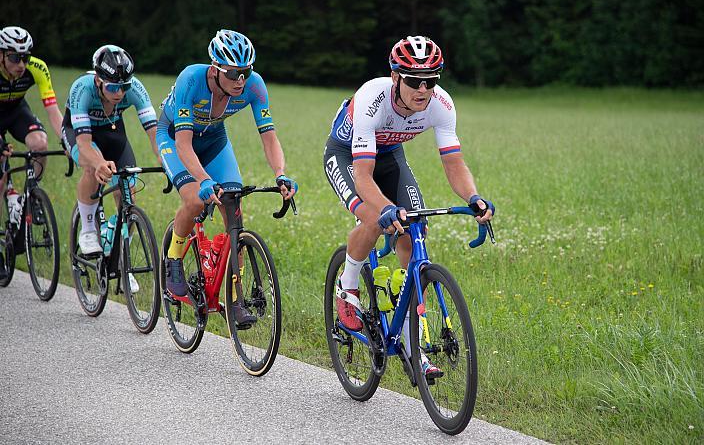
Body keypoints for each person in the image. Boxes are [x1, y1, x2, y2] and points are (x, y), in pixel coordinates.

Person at [323, 36, 495, 379]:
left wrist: (473, 197)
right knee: (375, 219)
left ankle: (408, 335)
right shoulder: (373, 98)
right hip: (348, 158)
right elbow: (363, 177)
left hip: (391, 158)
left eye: (431, 81)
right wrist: (386, 209)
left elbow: (454, 164)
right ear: (395, 77)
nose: (424, 89)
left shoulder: (441, 104)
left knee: (414, 228)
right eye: (415, 81)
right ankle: (348, 284)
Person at [157, 29, 297, 325]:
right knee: (195, 201)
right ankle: (173, 260)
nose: (240, 80)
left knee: (234, 209)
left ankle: (235, 299)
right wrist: (204, 179)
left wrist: (281, 174)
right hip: (174, 137)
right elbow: (183, 144)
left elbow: (269, 136)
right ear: (215, 69)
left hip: (214, 138)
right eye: (233, 73)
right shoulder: (191, 80)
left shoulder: (254, 86)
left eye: (245, 72)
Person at [62, 45, 159, 291]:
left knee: (128, 189)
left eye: (123, 87)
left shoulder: (134, 88)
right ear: (98, 80)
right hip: (79, 133)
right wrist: (98, 163)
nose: (119, 93)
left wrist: (168, 163)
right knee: (91, 168)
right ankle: (87, 228)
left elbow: (155, 134)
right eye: (113, 87)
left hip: (113, 132)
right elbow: (84, 145)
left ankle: (121, 257)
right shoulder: (82, 89)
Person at [0, 26, 63, 178]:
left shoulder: (37, 68)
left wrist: (68, 140)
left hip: (16, 111)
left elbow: (53, 111)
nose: (21, 65)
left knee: (40, 144)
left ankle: (32, 194)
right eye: (15, 58)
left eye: (25, 57)